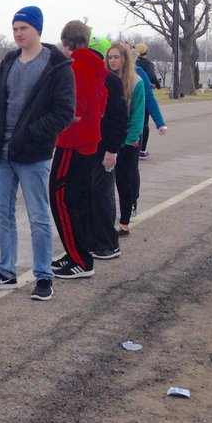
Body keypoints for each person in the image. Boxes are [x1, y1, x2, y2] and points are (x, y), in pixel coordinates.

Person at [0, 6, 74, 302]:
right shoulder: (8, 61)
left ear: (37, 30)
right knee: (2, 214)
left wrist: (31, 133)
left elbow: (64, 111)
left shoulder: (56, 65)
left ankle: (43, 275)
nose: (18, 33)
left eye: (24, 28)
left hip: (33, 154)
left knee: (38, 216)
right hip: (1, 153)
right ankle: (6, 271)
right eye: (15, 28)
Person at [49, 20, 108, 280]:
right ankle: (76, 251)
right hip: (88, 143)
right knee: (78, 200)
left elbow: (75, 108)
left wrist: (52, 119)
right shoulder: (96, 66)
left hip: (73, 142)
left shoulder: (77, 66)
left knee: (61, 199)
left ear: (65, 43)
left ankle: (80, 259)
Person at [85, 34, 127, 261]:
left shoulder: (110, 81)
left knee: (103, 196)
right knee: (91, 195)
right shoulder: (89, 79)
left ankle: (108, 243)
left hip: (105, 149)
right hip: (89, 148)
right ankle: (93, 239)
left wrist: (112, 150)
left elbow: (119, 118)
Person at [107, 43, 144, 239]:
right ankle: (106, 221)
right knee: (105, 184)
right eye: (110, 57)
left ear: (124, 59)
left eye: (116, 57)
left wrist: (131, 141)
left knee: (124, 181)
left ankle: (124, 223)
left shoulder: (136, 83)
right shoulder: (105, 80)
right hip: (108, 139)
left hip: (128, 141)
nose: (112, 60)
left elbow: (138, 115)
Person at [135, 42, 162, 158]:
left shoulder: (133, 63)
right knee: (144, 123)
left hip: (134, 92)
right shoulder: (148, 64)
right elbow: (151, 76)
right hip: (144, 93)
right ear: (146, 52)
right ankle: (142, 149)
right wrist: (157, 85)